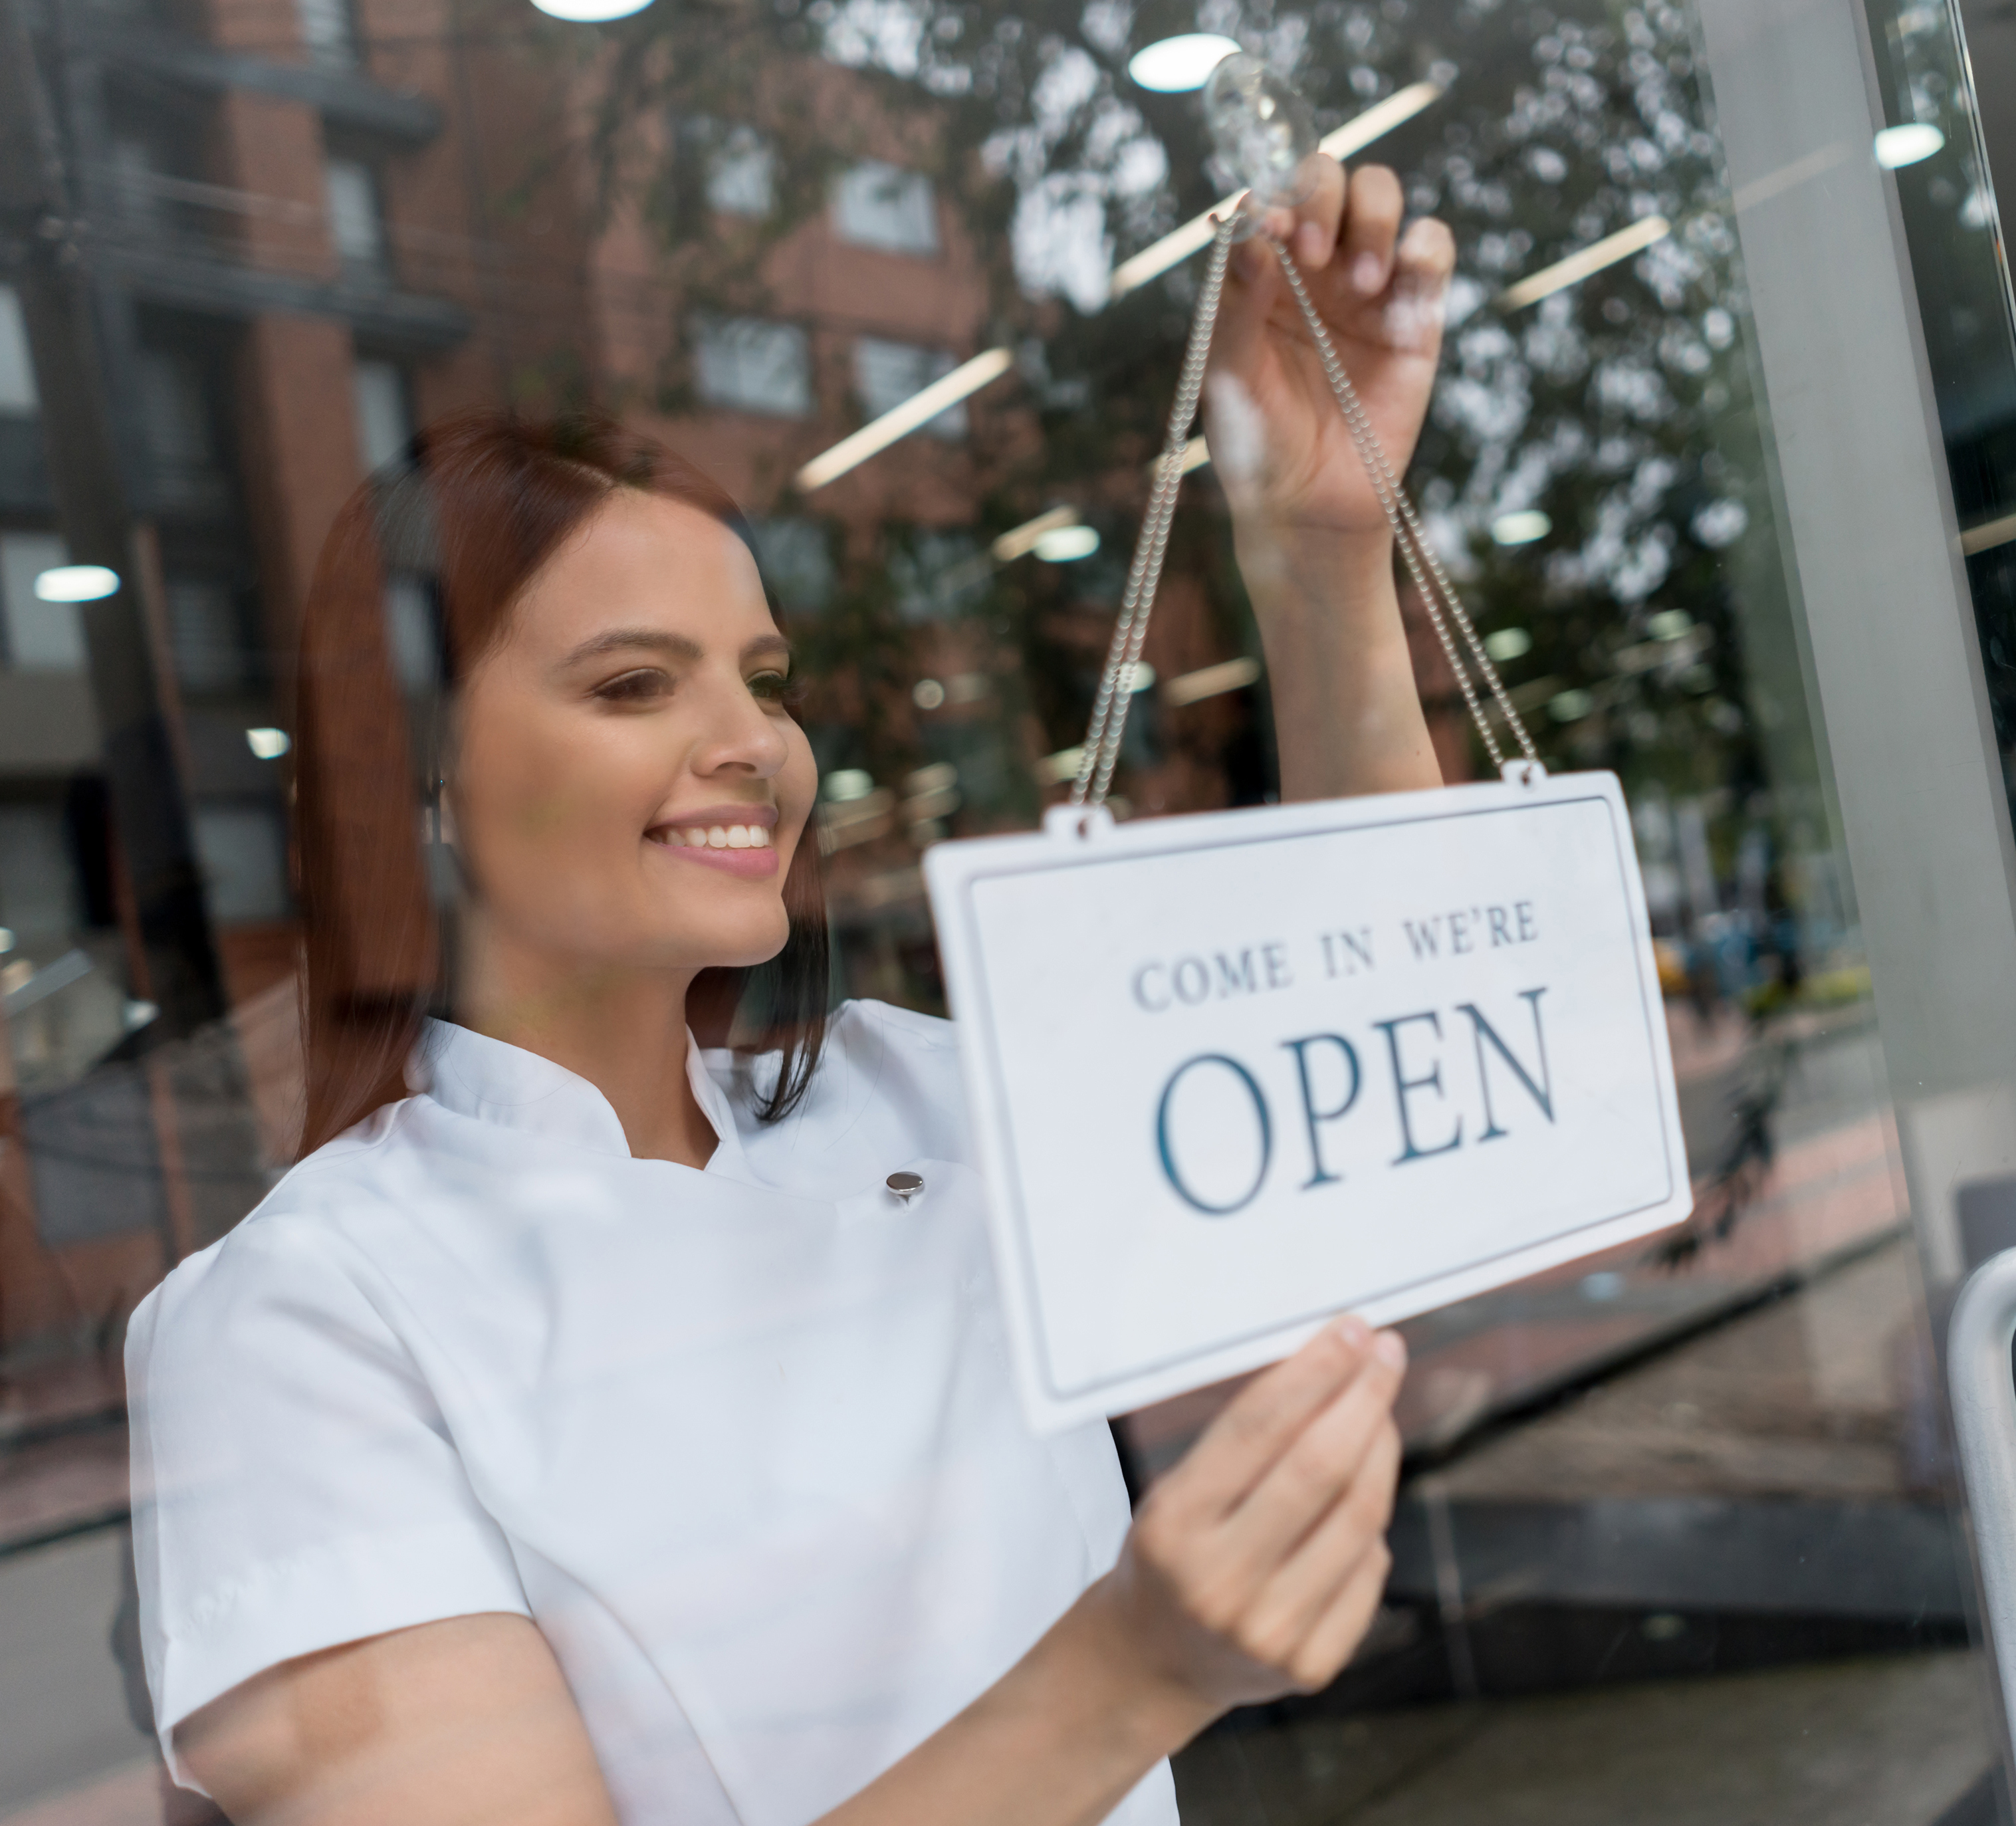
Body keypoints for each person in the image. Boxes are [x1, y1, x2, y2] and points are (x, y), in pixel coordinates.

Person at [124, 158, 1454, 1826]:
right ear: (424, 788)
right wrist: (1138, 1670)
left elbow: (1380, 1114)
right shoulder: (299, 1322)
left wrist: (1323, 554)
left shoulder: (919, 1093)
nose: (751, 741)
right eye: (630, 683)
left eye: (764, 680)